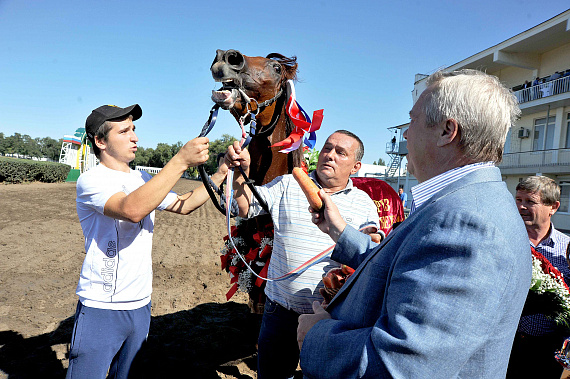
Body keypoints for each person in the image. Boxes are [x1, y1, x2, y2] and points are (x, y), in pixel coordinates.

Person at [297, 69, 531, 378]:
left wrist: (316, 336)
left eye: (414, 121)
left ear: (448, 131)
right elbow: (400, 266)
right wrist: (339, 232)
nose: (406, 134)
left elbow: (403, 366)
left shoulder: (467, 223)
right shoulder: (463, 206)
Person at [66, 104, 228, 379]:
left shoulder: (141, 178)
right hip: (102, 307)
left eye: (134, 129)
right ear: (101, 141)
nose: (135, 137)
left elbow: (182, 204)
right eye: (125, 130)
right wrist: (180, 161)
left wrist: (220, 174)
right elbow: (132, 210)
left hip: (140, 304)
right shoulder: (91, 180)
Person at [226, 130, 380, 379]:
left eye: (341, 153)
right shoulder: (287, 184)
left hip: (330, 319)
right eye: (327, 148)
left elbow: (371, 246)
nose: (329, 155)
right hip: (281, 312)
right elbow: (243, 208)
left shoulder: (364, 202)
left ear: (356, 167)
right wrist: (240, 174)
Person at [507, 176, 570, 378]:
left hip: (549, 351)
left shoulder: (566, 248)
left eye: (530, 202)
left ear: (553, 207)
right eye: (518, 200)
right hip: (507, 345)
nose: (522, 207)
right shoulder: (503, 240)